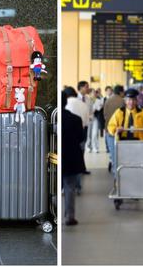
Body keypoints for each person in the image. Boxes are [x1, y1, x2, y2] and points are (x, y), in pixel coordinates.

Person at [107, 89, 143, 176]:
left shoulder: (142, 113)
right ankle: (121, 184)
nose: (131, 102)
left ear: (136, 101)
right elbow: (111, 126)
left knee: (137, 164)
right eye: (129, 100)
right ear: (125, 101)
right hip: (123, 143)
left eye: (133, 100)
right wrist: (116, 129)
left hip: (138, 143)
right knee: (123, 164)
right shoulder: (119, 112)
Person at [61, 90, 86, 226]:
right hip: (71, 158)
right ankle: (69, 217)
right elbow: (81, 138)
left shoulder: (54, 119)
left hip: (53, 157)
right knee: (70, 187)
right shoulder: (76, 119)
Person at [104, 85, 125, 173]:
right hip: (121, 131)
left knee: (113, 152)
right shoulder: (123, 101)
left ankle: (114, 168)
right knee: (120, 153)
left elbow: (104, 115)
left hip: (109, 129)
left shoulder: (108, 100)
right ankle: (119, 172)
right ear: (121, 92)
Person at [88, 89, 103, 153]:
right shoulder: (87, 100)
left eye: (94, 92)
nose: (94, 94)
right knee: (88, 134)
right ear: (89, 94)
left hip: (95, 119)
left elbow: (99, 108)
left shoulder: (98, 100)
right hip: (88, 119)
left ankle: (95, 147)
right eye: (92, 92)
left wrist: (98, 106)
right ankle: (88, 147)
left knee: (95, 133)